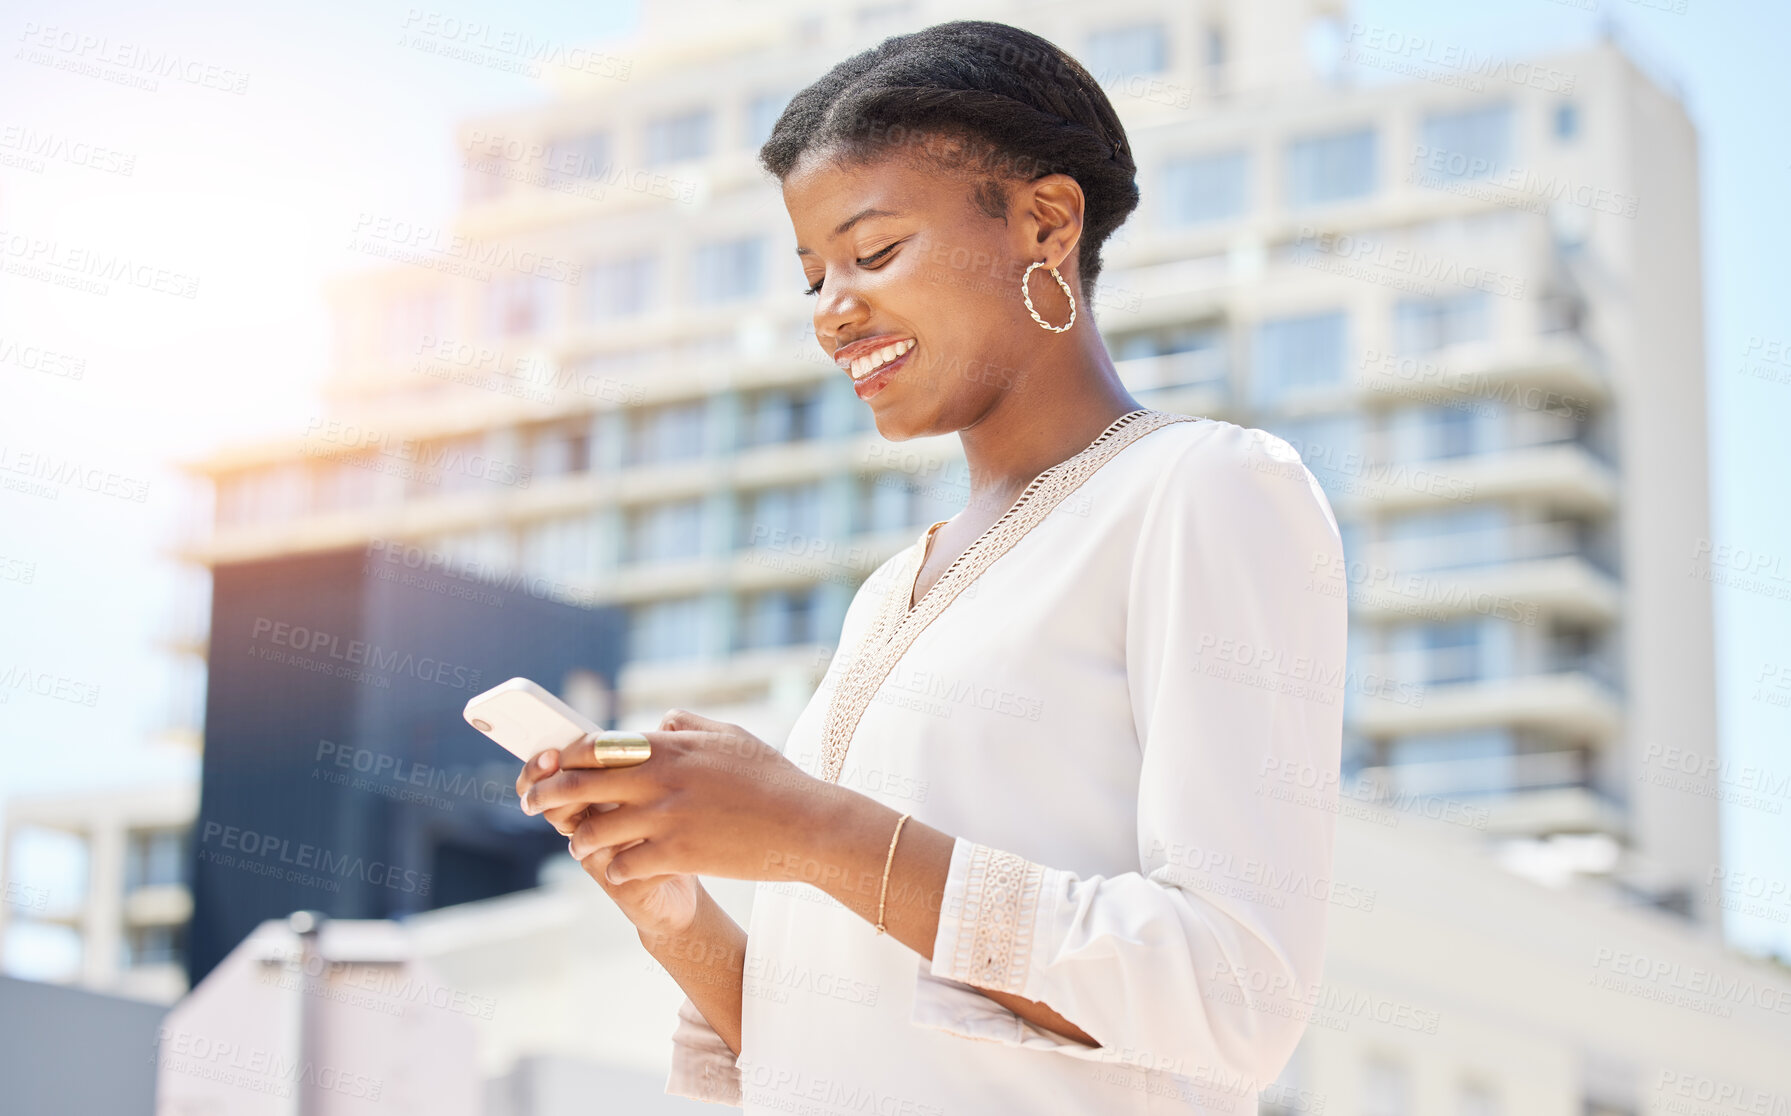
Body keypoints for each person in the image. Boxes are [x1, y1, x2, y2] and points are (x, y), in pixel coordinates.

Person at [514, 19, 1347, 1114]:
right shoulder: (890, 593)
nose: (833, 312)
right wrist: (674, 910)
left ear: (1046, 222)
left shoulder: (1206, 489)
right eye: (813, 275)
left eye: (873, 253)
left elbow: (1230, 998)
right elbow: (849, 1047)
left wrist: (808, 826)